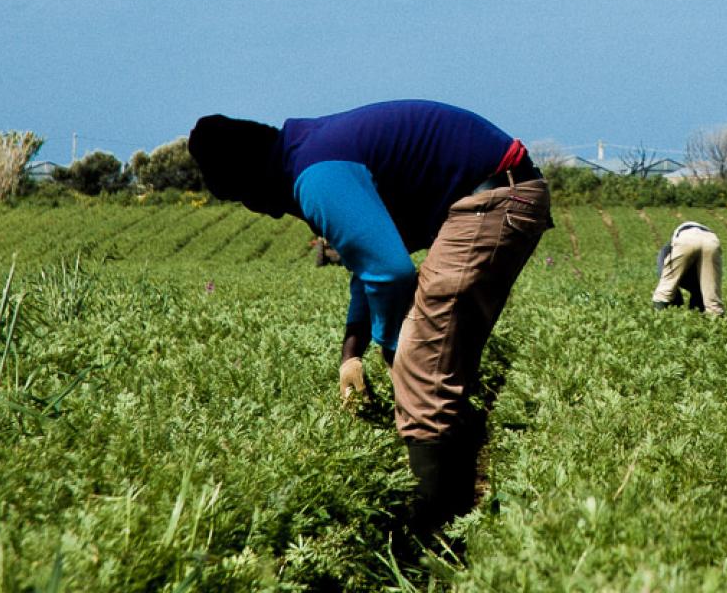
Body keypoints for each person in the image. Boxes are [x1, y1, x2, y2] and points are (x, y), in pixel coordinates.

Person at [188, 99, 553, 532]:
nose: (263, 211)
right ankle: (459, 498)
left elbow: (391, 272)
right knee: (431, 361)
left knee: (419, 361)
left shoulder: (316, 175)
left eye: (246, 198)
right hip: (499, 191)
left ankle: (431, 532)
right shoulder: (311, 149)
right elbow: (370, 264)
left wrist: (391, 344)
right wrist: (351, 352)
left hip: (493, 198)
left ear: (251, 178)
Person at [652, 221, 724, 316]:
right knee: (711, 295)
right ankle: (715, 321)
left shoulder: (667, 249)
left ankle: (660, 318)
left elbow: (663, 274)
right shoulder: (695, 276)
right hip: (711, 240)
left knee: (666, 287)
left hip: (686, 238)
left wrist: (673, 298)